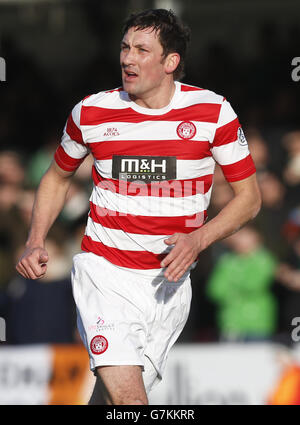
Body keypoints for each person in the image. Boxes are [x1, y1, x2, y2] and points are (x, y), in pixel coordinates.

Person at [16, 8, 261, 405]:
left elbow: (250, 199)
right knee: (132, 402)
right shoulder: (91, 112)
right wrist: (35, 239)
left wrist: (198, 239)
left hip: (168, 284)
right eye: (125, 47)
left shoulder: (213, 113)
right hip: (105, 273)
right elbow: (57, 177)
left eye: (142, 50)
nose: (128, 58)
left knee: (114, 402)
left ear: (170, 62)